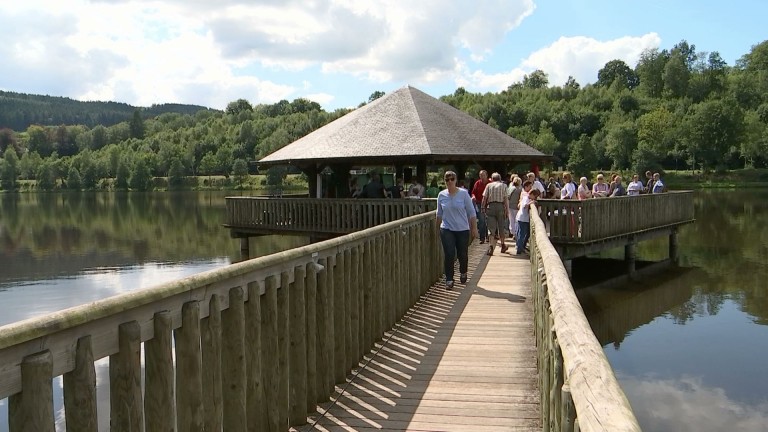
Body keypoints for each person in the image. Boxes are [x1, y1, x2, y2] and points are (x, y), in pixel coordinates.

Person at [436, 171, 478, 290]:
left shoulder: (464, 194)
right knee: (449, 253)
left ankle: (463, 272)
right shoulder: (441, 195)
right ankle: (449, 279)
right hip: (446, 228)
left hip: (462, 229)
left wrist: (474, 228)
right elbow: (439, 214)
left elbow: (471, 213)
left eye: (452, 179)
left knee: (462, 254)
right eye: (447, 179)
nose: (449, 181)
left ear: (456, 180)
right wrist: (436, 229)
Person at [482, 172, 509, 256]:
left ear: (492, 179)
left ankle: (490, 246)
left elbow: (484, 197)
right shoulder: (504, 186)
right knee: (501, 225)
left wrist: (483, 207)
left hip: (491, 206)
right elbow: (505, 198)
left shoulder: (489, 186)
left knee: (491, 227)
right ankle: (503, 245)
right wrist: (507, 210)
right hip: (500, 206)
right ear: (500, 178)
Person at [515, 188, 541, 257]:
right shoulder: (526, 198)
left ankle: (519, 247)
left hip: (521, 217)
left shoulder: (525, 197)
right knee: (521, 234)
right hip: (523, 218)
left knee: (520, 233)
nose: (535, 198)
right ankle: (519, 249)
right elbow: (525, 206)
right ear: (532, 194)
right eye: (534, 197)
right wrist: (531, 202)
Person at [470, 170, 490, 244]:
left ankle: (488, 236)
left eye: (483, 175)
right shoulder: (477, 183)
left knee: (488, 221)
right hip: (479, 203)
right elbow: (473, 193)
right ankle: (482, 238)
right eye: (480, 175)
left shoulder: (489, 183)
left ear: (486, 175)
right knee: (481, 221)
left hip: (488, 204)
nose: (482, 177)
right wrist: (473, 197)